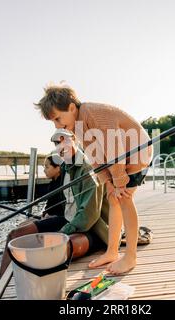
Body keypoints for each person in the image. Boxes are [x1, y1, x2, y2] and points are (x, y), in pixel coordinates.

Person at [35, 84, 153, 274]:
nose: (57, 125)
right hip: (118, 158)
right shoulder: (78, 126)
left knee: (124, 199)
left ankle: (130, 257)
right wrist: (108, 182)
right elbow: (96, 158)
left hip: (136, 153)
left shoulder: (93, 113)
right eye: (53, 122)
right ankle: (112, 252)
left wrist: (120, 182)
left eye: (58, 118)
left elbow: (115, 147)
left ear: (71, 107)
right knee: (112, 198)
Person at [0, 129, 108, 278]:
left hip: (91, 228)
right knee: (14, 235)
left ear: (75, 139)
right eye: (57, 142)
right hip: (67, 220)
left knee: (57, 247)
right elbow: (62, 200)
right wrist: (47, 217)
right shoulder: (64, 167)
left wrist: (61, 233)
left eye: (65, 140)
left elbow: (88, 216)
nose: (61, 145)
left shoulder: (88, 169)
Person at [41, 154, 65, 219]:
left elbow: (63, 208)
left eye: (47, 167)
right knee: (22, 224)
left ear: (58, 168)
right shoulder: (52, 183)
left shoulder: (63, 184)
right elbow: (50, 204)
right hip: (48, 216)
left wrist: (51, 215)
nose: (44, 170)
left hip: (58, 218)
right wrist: (45, 213)